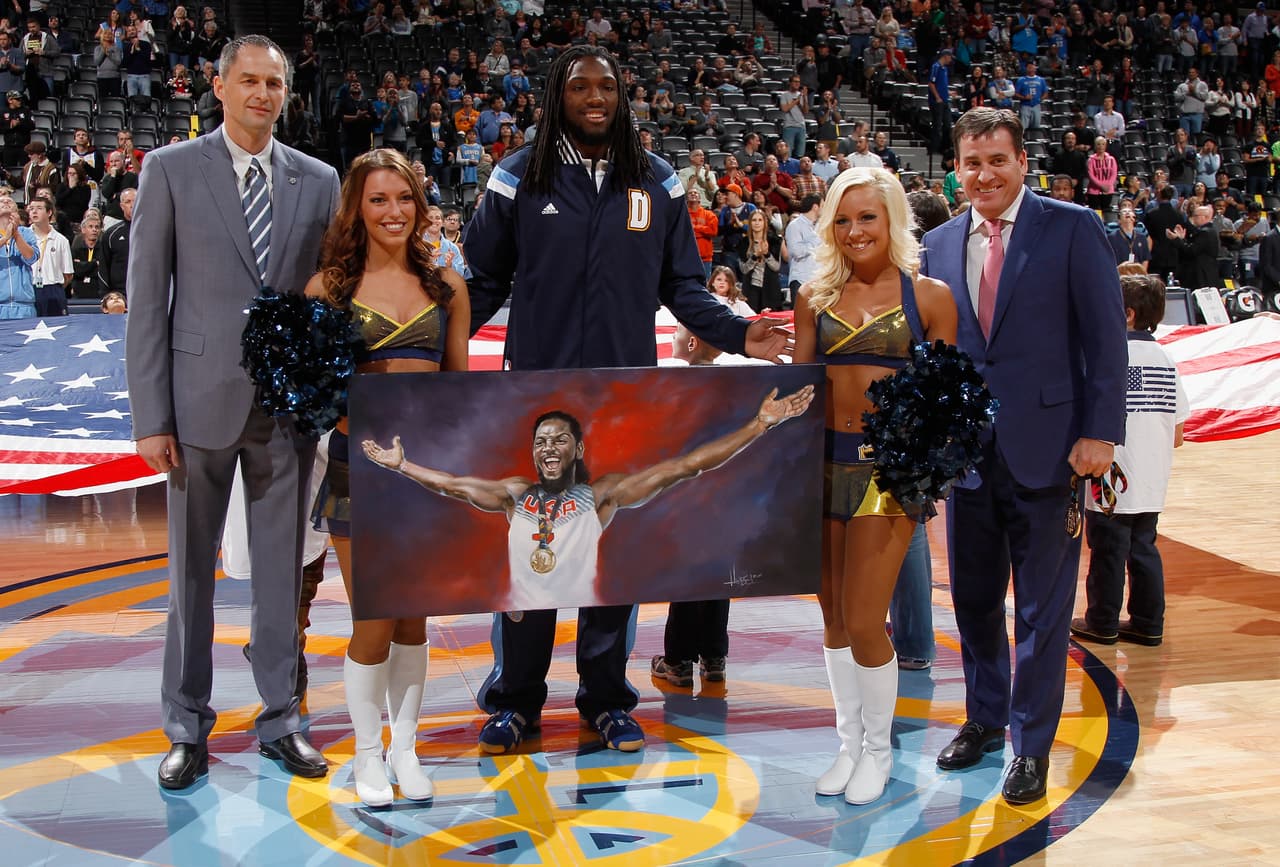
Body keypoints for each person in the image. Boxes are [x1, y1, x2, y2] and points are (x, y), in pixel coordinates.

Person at [459, 45, 794, 756]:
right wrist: (431, 346)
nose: (593, 97)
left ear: (622, 95)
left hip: (622, 399)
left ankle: (606, 696)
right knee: (531, 554)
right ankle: (515, 697)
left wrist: (740, 333)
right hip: (535, 396)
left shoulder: (659, 181)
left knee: (610, 557)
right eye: (578, 85)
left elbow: (684, 286)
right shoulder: (516, 174)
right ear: (557, 95)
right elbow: (480, 281)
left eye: (605, 86)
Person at [124, 35, 342, 792]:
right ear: (218, 88)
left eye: (274, 83)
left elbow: (334, 291)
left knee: (282, 574)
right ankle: (186, 726)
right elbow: (148, 303)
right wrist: (151, 414)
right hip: (194, 407)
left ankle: (283, 718)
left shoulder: (320, 180)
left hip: (285, 412)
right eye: (248, 81)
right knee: (191, 579)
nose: (261, 94)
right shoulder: (169, 170)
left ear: (287, 93)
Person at [919, 108, 1127, 806]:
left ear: (1021, 162)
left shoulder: (1072, 227)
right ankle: (983, 717)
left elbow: (1106, 338)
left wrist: (1101, 432)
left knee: (1040, 610)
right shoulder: (939, 243)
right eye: (971, 163)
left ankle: (1030, 745)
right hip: (967, 457)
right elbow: (934, 355)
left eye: (996, 161)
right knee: (975, 600)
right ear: (957, 167)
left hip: (1051, 451)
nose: (983, 174)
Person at [303, 149, 469, 808]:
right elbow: (313, 395)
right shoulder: (327, 292)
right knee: (374, 617)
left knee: (413, 621)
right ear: (357, 208)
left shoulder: (447, 285)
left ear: (419, 206)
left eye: (404, 198)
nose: (393, 211)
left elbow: (459, 388)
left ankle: (407, 748)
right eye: (378, 199)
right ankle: (367, 754)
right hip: (357, 471)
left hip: (425, 475)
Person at [793, 167, 958, 805]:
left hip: (888, 476)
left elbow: (952, 400)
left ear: (892, 219)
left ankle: (880, 751)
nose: (855, 230)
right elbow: (801, 391)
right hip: (821, 468)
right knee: (833, 617)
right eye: (842, 219)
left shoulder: (930, 296)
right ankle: (848, 745)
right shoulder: (814, 296)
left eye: (867, 217)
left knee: (866, 618)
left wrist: (925, 470)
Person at [1071, 274, 1187, 648]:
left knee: (1107, 549)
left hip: (1112, 473)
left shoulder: (1107, 357)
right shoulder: (1168, 359)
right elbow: (1178, 434)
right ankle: (1149, 623)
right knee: (1144, 548)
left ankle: (1103, 620)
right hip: (1152, 473)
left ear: (1128, 315)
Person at [26, 197, 72, 316]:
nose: (34, 212)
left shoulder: (61, 240)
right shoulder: (22, 237)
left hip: (53, 290)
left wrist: (54, 286)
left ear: (49, 212)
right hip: (28, 289)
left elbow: (68, 274)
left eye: (39, 208)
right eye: (31, 209)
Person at [0, 194, 37, 319]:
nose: (5, 202)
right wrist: (5, 238)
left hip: (24, 305)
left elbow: (31, 258)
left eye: (9, 201)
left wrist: (16, 235)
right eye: (2, 201)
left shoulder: (26, 233)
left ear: (16, 211)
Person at [1109, 205, 1151, 271]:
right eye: (1124, 212)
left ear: (1134, 218)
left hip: (1138, 276)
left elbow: (1145, 259)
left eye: (1130, 211)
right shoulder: (1111, 238)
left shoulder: (1142, 237)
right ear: (1119, 220)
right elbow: (1109, 260)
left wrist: (1142, 275)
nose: (1127, 212)